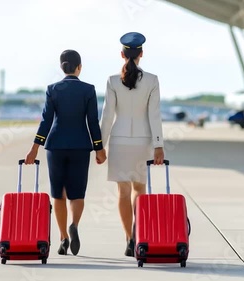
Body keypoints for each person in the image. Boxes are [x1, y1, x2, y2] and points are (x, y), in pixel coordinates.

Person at [25, 49, 107, 256]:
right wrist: (99, 148)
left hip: (56, 146)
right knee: (77, 193)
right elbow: (92, 122)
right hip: (80, 146)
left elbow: (46, 120)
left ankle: (63, 237)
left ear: (61, 67)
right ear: (79, 67)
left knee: (58, 193)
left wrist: (35, 147)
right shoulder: (88, 90)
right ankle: (75, 225)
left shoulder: (53, 89)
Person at [100, 32, 165, 257]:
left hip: (118, 141)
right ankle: (139, 232)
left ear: (122, 54)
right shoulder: (152, 80)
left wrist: (100, 145)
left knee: (123, 191)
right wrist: (158, 145)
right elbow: (154, 115)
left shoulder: (112, 80)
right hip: (143, 141)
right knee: (140, 189)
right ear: (141, 54)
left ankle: (129, 238)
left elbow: (107, 116)